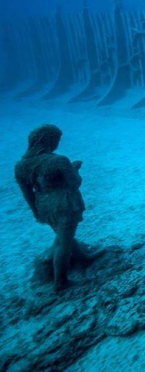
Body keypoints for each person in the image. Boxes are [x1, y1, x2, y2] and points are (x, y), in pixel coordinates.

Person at [14, 124, 95, 292]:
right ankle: (61, 281)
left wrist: (36, 211)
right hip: (64, 203)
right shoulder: (59, 161)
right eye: (57, 140)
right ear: (49, 140)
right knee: (62, 243)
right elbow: (75, 182)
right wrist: (75, 169)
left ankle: (83, 258)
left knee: (64, 236)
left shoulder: (21, 166)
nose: (58, 144)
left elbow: (27, 193)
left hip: (43, 205)